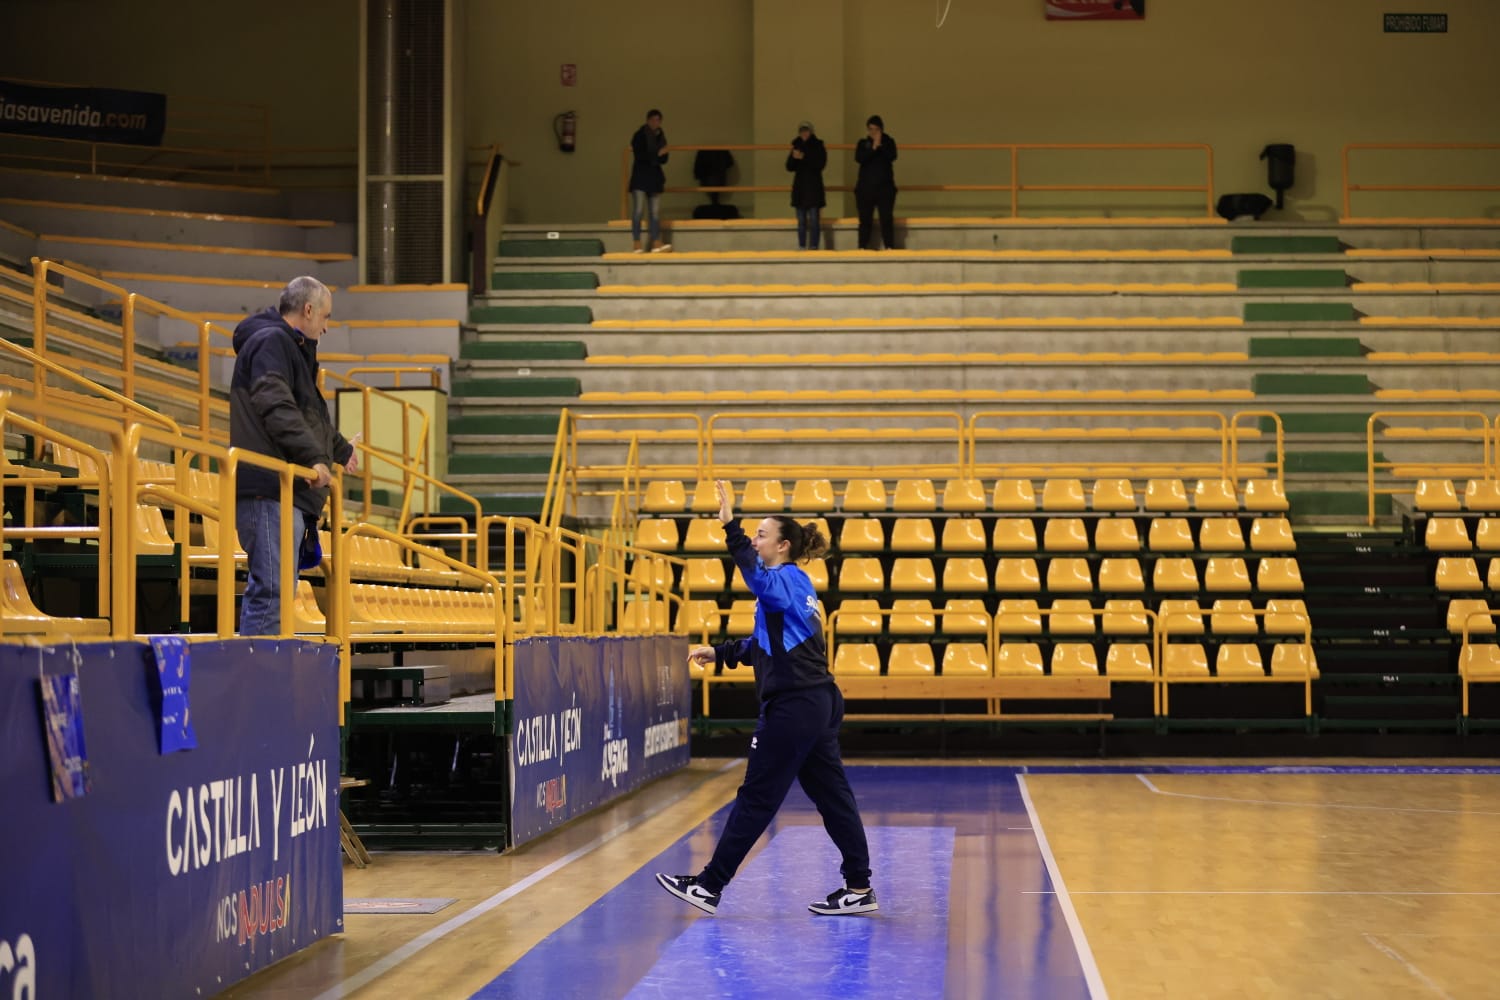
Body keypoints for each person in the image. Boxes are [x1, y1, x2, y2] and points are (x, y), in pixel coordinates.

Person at [656, 480, 876, 918]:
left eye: (761, 535)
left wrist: (730, 528)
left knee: (758, 797)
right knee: (834, 797)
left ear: (783, 546)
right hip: (816, 702)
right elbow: (765, 645)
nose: (755, 541)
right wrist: (718, 652)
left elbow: (754, 579)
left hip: (794, 707)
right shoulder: (794, 584)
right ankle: (859, 887)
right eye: (752, 534)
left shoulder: (780, 581)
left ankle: (709, 886)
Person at [230, 276, 358, 635]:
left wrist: (339, 449)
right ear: (308, 310)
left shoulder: (292, 351)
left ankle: (265, 679)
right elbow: (277, 405)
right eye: (327, 317)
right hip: (270, 488)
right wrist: (314, 459)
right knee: (271, 591)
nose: (327, 328)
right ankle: (259, 682)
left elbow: (304, 413)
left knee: (277, 590)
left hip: (285, 493)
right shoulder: (273, 343)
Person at [628, 109, 671, 253]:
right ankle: (636, 242)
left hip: (654, 178)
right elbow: (640, 156)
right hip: (640, 177)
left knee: (655, 212)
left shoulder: (661, 136)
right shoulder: (639, 136)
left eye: (658, 120)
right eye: (653, 120)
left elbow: (665, 158)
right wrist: (657, 154)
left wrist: (657, 156)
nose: (655, 123)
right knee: (638, 211)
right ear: (647, 120)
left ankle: (656, 242)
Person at [854, 114, 898, 250]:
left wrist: (880, 146)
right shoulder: (863, 143)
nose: (873, 132)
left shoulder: (889, 142)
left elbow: (892, 156)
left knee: (886, 219)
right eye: (870, 129)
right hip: (865, 189)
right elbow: (859, 158)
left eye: (876, 129)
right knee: (865, 220)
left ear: (881, 130)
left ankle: (889, 246)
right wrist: (873, 147)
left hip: (885, 189)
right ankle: (862, 246)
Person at [786, 121, 827, 250]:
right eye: (802, 131)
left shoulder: (818, 145)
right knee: (801, 221)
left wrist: (804, 156)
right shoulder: (796, 145)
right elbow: (789, 166)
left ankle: (814, 246)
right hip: (800, 189)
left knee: (815, 220)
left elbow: (820, 164)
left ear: (811, 132)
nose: (804, 133)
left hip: (813, 188)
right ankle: (802, 246)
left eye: (806, 131)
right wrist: (794, 157)